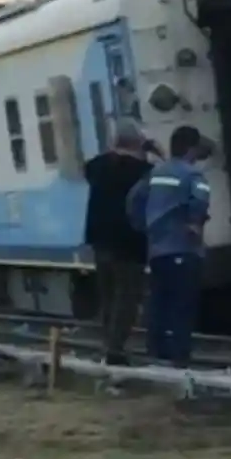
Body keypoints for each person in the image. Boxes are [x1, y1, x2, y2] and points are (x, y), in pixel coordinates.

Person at [126, 125, 211, 367]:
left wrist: (144, 225)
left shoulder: (154, 174)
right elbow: (201, 198)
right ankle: (180, 357)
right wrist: (195, 222)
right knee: (182, 305)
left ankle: (156, 353)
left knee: (159, 302)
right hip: (183, 248)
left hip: (157, 250)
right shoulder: (193, 175)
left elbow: (133, 200)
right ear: (192, 148)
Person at [83, 120, 155, 366]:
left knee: (109, 296)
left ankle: (109, 346)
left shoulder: (96, 167)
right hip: (129, 240)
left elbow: (96, 163)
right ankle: (115, 351)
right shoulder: (142, 170)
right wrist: (158, 152)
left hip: (100, 239)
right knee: (127, 297)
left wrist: (115, 147)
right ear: (138, 142)